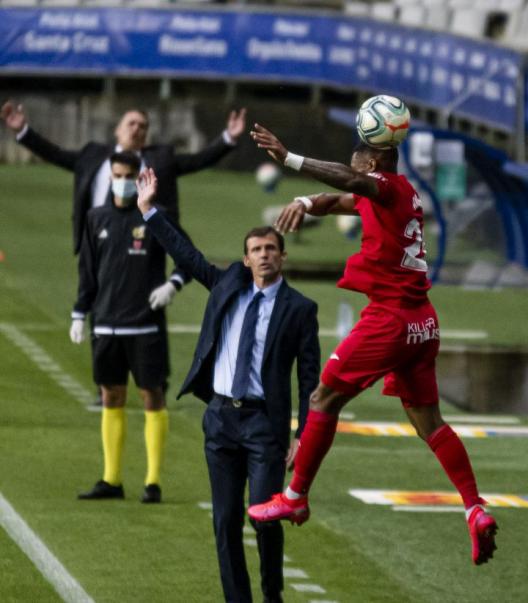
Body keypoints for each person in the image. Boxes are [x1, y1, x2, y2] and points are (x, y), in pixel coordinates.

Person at [247, 124, 498, 566]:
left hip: (391, 319)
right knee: (430, 424)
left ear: (375, 162)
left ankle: (295, 497)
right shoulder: (398, 193)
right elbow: (338, 199)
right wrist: (305, 202)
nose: (351, 167)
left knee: (323, 398)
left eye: (356, 161)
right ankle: (474, 508)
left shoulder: (381, 185)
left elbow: (351, 183)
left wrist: (290, 160)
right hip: (422, 322)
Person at [136, 167, 320, 603]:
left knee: (263, 517)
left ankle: (272, 593)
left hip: (264, 427)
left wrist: (304, 437)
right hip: (219, 418)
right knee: (224, 521)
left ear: (282, 256)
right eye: (255, 250)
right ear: (245, 258)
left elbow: (309, 378)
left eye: (271, 249)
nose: (263, 256)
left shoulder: (300, 309)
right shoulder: (226, 286)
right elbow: (187, 251)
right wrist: (149, 210)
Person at [72, 152, 189, 504]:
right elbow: (88, 272)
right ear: (110, 176)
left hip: (144, 326)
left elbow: (186, 257)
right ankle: (111, 479)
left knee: (151, 396)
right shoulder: (95, 218)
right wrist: (80, 312)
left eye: (129, 175)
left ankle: (152, 482)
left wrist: (173, 285)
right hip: (106, 325)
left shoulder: (156, 217)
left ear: (139, 178)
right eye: (117, 174)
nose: (122, 180)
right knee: (111, 397)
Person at [1, 101, 246, 254]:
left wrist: (229, 138)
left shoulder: (160, 160)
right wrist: (23, 131)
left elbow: (198, 160)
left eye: (142, 125)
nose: (136, 128)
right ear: (117, 129)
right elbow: (55, 154)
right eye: (131, 123)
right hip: (98, 240)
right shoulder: (93, 155)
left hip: (142, 244)